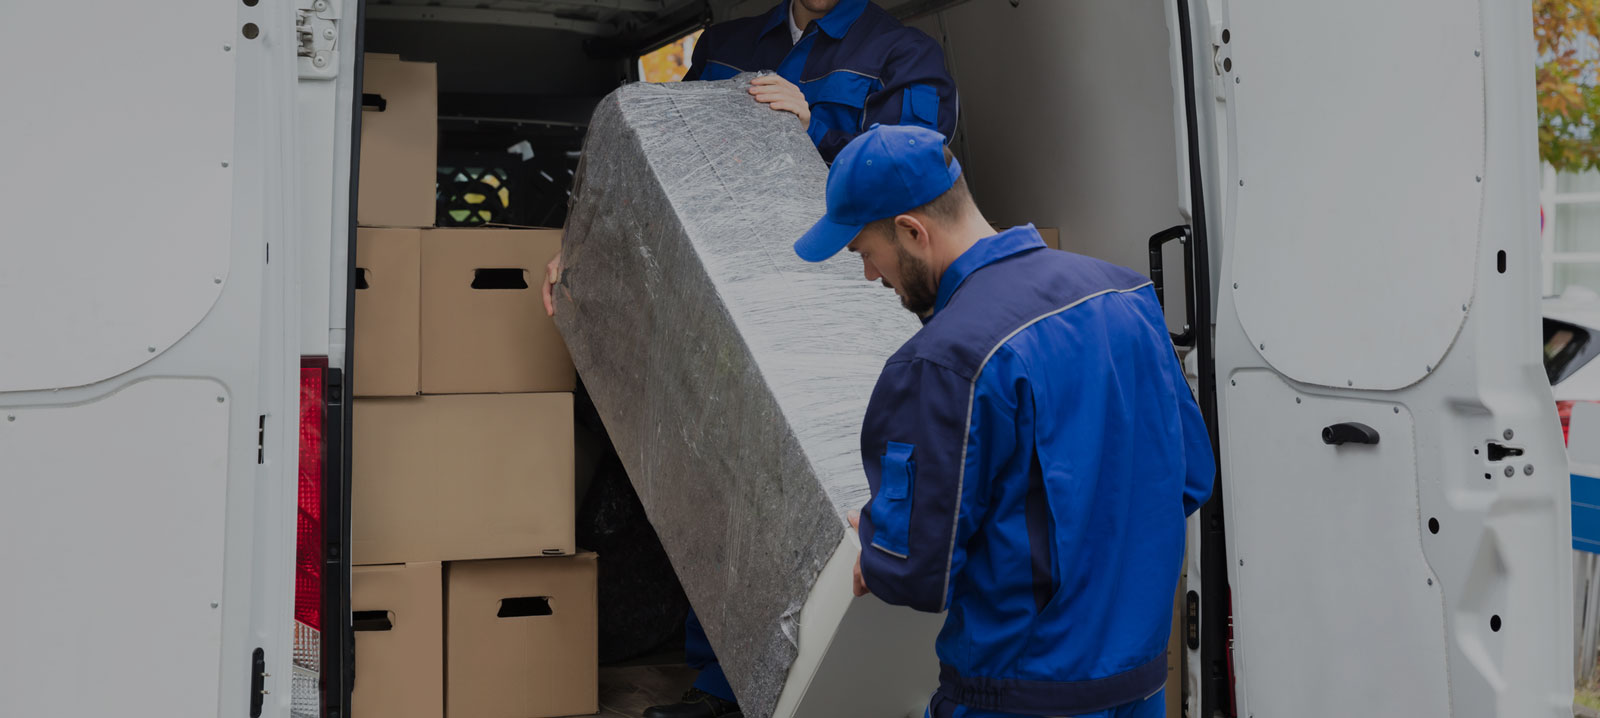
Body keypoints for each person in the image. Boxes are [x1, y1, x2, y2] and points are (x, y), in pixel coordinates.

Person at [547, 4, 957, 717]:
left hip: (836, 323)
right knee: (717, 493)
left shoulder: (903, 55)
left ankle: (826, 690)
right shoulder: (727, 44)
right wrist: (585, 244)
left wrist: (816, 128)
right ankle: (720, 686)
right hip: (721, 311)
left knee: (827, 509)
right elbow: (660, 159)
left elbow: (920, 185)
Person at [793, 124, 1216, 718]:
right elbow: (1190, 479)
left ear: (912, 231)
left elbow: (918, 569)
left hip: (1021, 691)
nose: (869, 275)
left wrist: (880, 542)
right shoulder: (1125, 296)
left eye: (865, 253)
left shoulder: (945, 360)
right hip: (1138, 683)